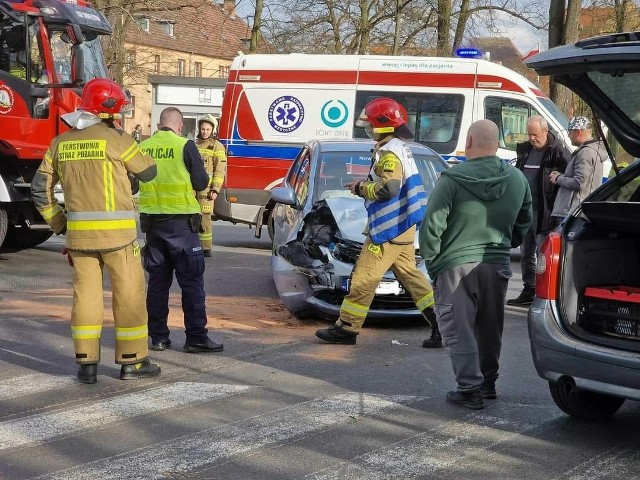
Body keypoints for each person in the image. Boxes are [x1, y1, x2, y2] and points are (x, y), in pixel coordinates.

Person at [30, 78, 161, 384]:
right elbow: (149, 172)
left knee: (86, 298)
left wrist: (60, 224)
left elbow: (39, 190)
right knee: (128, 296)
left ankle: (86, 363)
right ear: (112, 109)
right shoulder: (117, 138)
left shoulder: (61, 142)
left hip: (79, 239)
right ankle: (133, 362)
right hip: (119, 239)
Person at [419, 119, 532, 410]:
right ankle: (488, 383)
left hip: (455, 264)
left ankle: (468, 389)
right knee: (489, 327)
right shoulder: (517, 179)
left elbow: (432, 226)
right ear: (496, 144)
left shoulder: (452, 179)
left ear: (468, 142)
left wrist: (433, 265)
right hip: (497, 263)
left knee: (459, 329)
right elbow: (524, 221)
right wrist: (506, 244)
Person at [315, 97, 438, 346]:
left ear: (384, 124)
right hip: (402, 227)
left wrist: (360, 187)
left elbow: (390, 189)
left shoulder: (389, 151)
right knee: (412, 278)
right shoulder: (400, 146)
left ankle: (347, 328)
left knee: (364, 277)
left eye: (371, 124)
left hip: (388, 229)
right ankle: (442, 326)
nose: (369, 128)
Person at [139, 107, 224, 353]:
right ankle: (196, 337)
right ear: (179, 127)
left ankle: (158, 337)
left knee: (157, 283)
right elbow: (201, 182)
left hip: (153, 226)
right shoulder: (184, 145)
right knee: (192, 283)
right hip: (182, 227)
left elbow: (134, 183)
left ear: (157, 126)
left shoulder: (144, 146)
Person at [507, 115, 570, 307]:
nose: (532, 138)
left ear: (545, 131)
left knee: (543, 255)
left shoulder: (558, 152)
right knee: (526, 253)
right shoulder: (525, 150)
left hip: (546, 212)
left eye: (535, 134)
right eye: (529, 134)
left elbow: (567, 181)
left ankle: (544, 295)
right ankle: (529, 289)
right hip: (525, 210)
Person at [550, 116, 608, 221]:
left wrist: (558, 178)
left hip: (574, 211)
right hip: (580, 210)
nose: (568, 135)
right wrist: (561, 175)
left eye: (570, 131)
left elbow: (579, 183)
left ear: (578, 132)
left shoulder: (585, 153)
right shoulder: (592, 150)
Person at [195, 114, 227, 257]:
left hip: (207, 191)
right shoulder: (193, 145)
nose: (205, 132)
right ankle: (194, 245)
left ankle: (206, 248)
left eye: (208, 129)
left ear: (212, 130)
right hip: (192, 190)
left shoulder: (217, 146)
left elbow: (220, 170)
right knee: (192, 217)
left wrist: (215, 189)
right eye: (203, 129)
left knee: (205, 219)